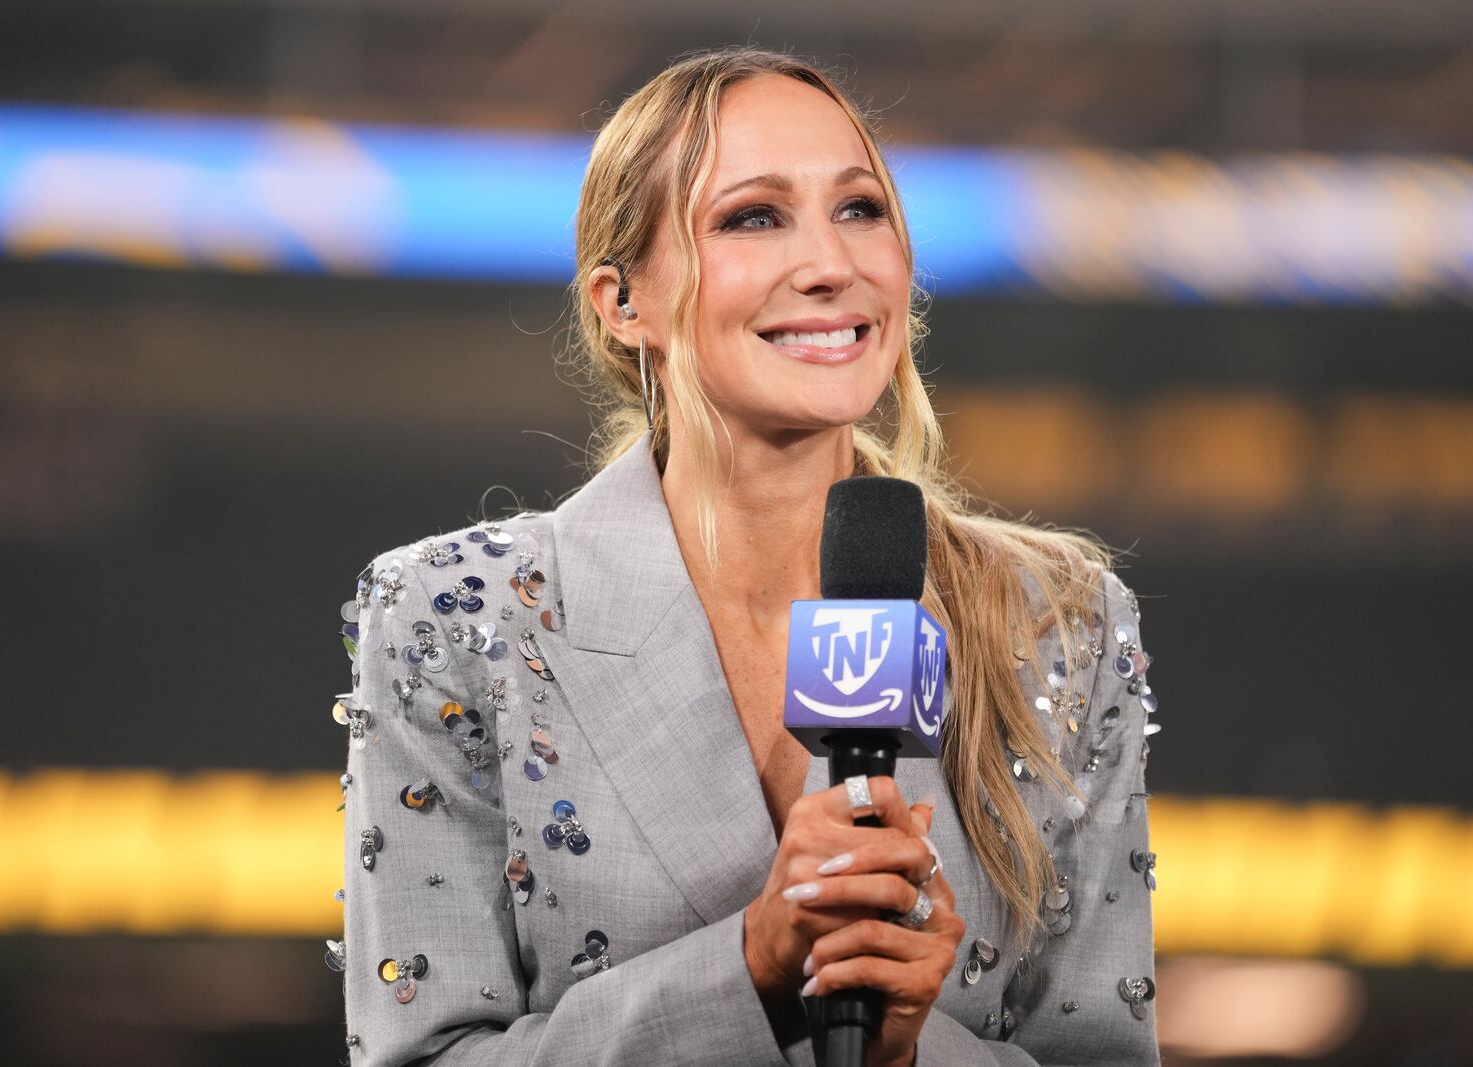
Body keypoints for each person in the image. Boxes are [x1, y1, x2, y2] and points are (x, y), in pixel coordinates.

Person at [333, 46, 1162, 1067]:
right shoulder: (459, 617)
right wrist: (752, 964)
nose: (829, 263)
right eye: (752, 217)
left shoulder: (1059, 623)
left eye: (859, 209)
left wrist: (906, 1056)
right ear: (621, 301)